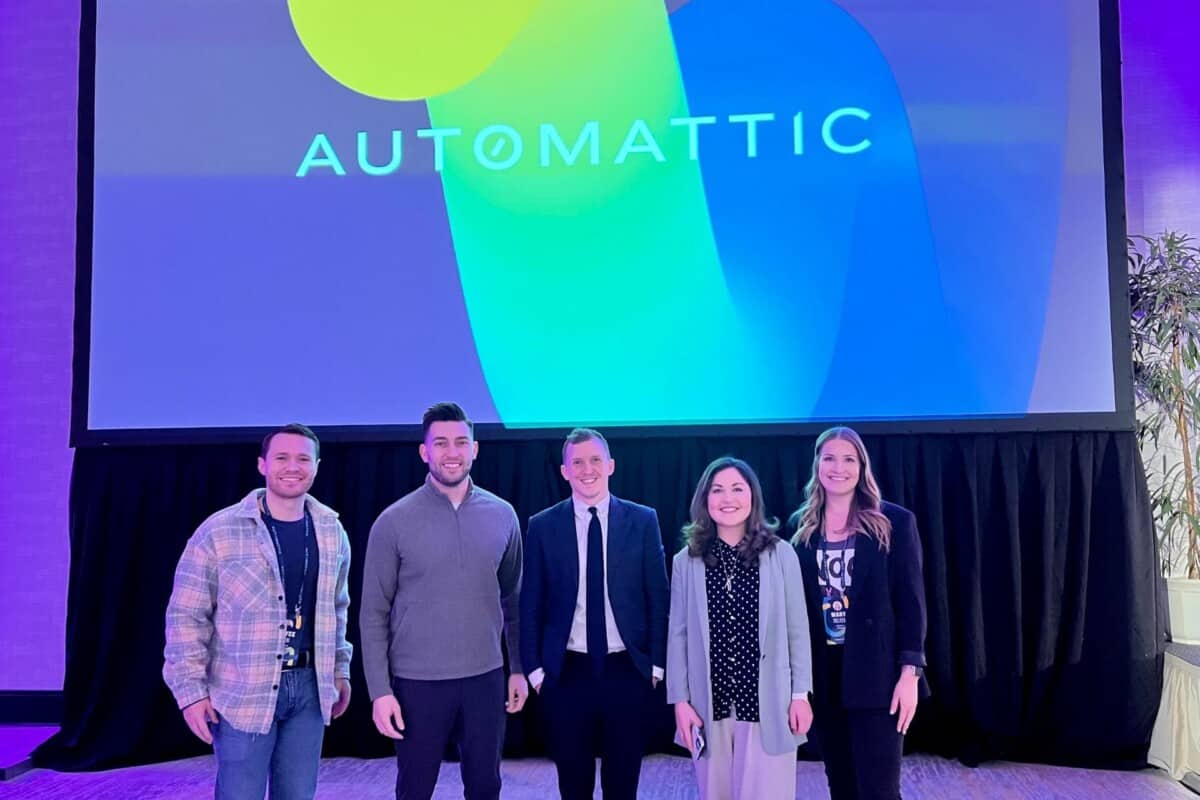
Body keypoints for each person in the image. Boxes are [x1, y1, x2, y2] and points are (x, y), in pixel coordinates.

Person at [163, 423, 353, 800]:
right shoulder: (219, 531)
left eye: (303, 458)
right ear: (262, 465)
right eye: (281, 457)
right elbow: (186, 615)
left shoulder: (332, 531)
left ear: (316, 466)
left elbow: (337, 607)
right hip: (241, 689)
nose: (292, 466)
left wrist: (339, 669)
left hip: (310, 688)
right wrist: (191, 693)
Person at [360, 402, 527, 800]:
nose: (451, 452)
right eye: (440, 443)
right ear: (424, 452)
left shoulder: (503, 515)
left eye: (460, 442)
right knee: (415, 787)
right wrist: (380, 691)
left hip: (485, 678)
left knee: (486, 786)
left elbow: (514, 600)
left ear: (475, 449)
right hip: (417, 683)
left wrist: (517, 668)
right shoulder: (393, 521)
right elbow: (372, 614)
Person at [520, 428, 669, 799]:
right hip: (566, 673)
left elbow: (659, 598)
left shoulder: (643, 520)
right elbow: (530, 603)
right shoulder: (542, 526)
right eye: (578, 462)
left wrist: (656, 666)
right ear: (564, 471)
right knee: (574, 785)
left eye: (595, 460)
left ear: (611, 465)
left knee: (623, 785)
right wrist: (536, 672)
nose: (588, 469)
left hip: (627, 671)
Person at [790, 426, 928, 800]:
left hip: (879, 676)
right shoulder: (801, 529)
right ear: (817, 464)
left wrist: (909, 674)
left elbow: (911, 603)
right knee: (843, 787)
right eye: (829, 458)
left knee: (880, 790)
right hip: (827, 676)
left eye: (849, 459)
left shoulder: (894, 522)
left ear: (862, 466)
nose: (839, 467)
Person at [667, 456, 813, 800]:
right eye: (717, 490)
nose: (727, 498)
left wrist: (800, 694)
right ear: (705, 500)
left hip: (768, 704)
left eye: (737, 488)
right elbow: (678, 635)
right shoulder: (685, 561)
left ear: (753, 497)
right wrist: (680, 700)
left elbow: (798, 630)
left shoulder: (781, 555)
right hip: (709, 705)